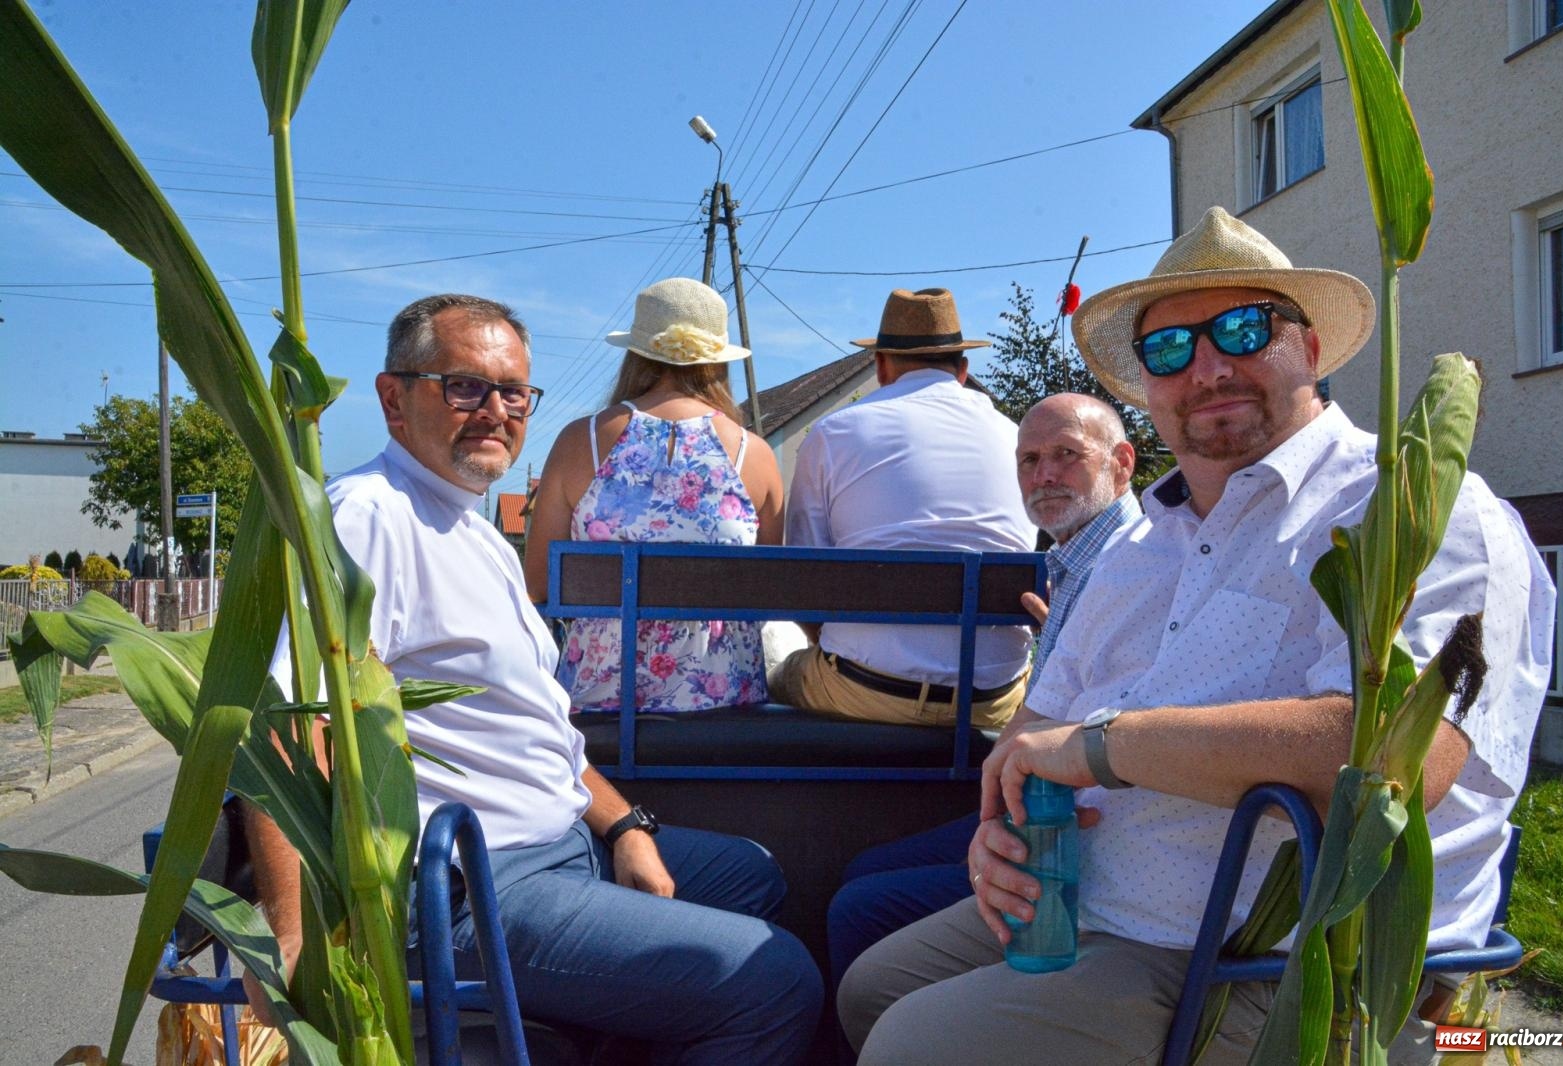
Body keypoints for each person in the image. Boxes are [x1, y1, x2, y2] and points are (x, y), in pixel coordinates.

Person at [838, 207, 1555, 1065]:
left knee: (908, 1049)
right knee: (869, 987)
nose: (1207, 367)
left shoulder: (1408, 510)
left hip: (1270, 962)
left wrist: (1105, 748)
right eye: (1169, 351)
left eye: (1244, 329)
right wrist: (1005, 829)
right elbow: (1040, 727)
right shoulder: (1141, 541)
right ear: (1148, 387)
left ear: (1311, 349)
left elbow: (1401, 760)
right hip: (1098, 905)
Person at [247, 293, 821, 1063]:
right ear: (393, 398)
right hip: (476, 888)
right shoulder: (369, 517)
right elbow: (287, 720)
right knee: (776, 979)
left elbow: (543, 725)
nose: (494, 410)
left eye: (513, 392)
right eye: (464, 387)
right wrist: (289, 931)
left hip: (561, 843)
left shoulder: (475, 530)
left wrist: (624, 827)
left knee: (751, 876)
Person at [824, 393, 1140, 991]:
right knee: (864, 872)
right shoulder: (1078, 562)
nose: (1044, 474)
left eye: (1067, 455)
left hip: (1075, 839)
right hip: (1044, 805)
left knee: (858, 908)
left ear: (1121, 463)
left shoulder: (1129, 566)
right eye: (1029, 460)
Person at [771, 287, 1036, 729]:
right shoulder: (1017, 437)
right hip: (992, 701)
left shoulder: (832, 433)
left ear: (880, 366)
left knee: (777, 668)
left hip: (867, 692)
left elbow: (805, 578)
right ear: (964, 370)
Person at [525, 277, 782, 712]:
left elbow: (537, 582)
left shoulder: (581, 440)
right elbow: (770, 587)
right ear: (718, 360)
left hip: (598, 701)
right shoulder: (751, 454)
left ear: (636, 353)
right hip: (724, 705)